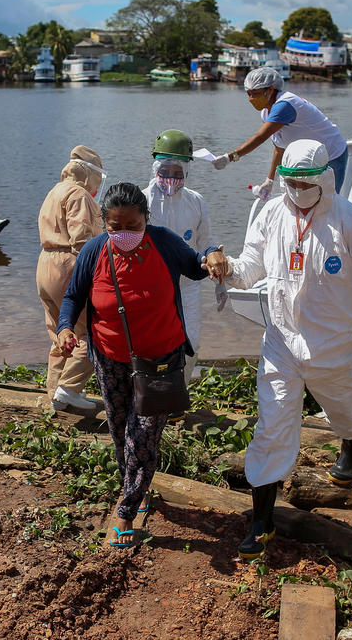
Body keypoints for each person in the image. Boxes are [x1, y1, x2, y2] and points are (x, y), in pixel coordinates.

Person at [213, 139, 352, 560]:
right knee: (272, 430)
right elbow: (250, 267)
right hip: (281, 344)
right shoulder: (271, 214)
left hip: (333, 346)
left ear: (325, 179)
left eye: (306, 184)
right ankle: (261, 522)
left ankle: (351, 444)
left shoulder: (351, 222)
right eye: (291, 184)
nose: (297, 192)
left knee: (347, 411)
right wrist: (228, 269)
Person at [55, 183, 226, 547]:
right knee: (120, 430)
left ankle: (126, 509)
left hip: (161, 360)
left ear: (146, 219)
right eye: (116, 227)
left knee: (143, 436)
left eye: (133, 225)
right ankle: (137, 486)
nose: (125, 234)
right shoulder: (94, 251)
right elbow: (73, 297)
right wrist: (65, 328)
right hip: (110, 357)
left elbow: (196, 267)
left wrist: (211, 254)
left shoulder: (163, 242)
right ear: (104, 223)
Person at [144, 129, 228, 388]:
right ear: (156, 168)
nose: (170, 178)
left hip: (188, 285)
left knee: (191, 340)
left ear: (186, 172)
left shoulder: (196, 202)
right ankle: (148, 393)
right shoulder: (142, 201)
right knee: (149, 341)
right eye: (165, 172)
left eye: (177, 173)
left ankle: (177, 393)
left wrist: (218, 272)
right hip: (150, 285)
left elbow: (206, 242)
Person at [37, 145, 106, 412]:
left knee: (59, 331)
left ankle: (55, 393)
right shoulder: (79, 194)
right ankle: (70, 388)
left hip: (45, 263)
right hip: (67, 263)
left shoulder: (54, 190)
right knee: (91, 328)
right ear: (90, 174)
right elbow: (81, 240)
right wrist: (92, 274)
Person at [211, 67, 349, 198]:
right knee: (306, 200)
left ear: (270, 90)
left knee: (327, 201)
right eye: (249, 94)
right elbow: (279, 148)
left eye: (256, 94)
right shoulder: (266, 112)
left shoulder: (284, 105)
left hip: (332, 154)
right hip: (311, 157)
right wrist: (269, 180)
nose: (251, 99)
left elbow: (260, 137)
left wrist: (230, 157)